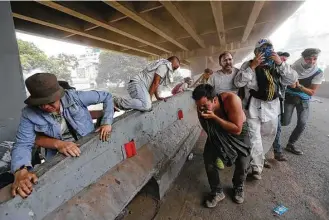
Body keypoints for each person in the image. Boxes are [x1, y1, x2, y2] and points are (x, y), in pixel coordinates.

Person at [11, 73, 114, 198]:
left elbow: (107, 96)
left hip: (87, 144)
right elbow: (23, 143)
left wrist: (106, 122)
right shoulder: (29, 113)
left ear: (59, 95)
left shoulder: (76, 97)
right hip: (57, 152)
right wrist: (20, 170)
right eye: (39, 103)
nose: (45, 107)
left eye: (49, 102)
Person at [234, 38, 297, 180]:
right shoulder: (248, 64)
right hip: (253, 107)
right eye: (263, 49)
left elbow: (291, 80)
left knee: (269, 134)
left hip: (272, 108)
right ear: (256, 52)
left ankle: (260, 158)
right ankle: (257, 168)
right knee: (254, 137)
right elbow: (238, 82)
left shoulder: (278, 65)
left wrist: (280, 63)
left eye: (269, 49)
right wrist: (252, 67)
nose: (266, 52)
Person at [192, 84, 250, 206]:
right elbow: (207, 128)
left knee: (243, 161)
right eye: (198, 106)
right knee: (209, 158)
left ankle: (238, 187)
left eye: (204, 105)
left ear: (214, 99)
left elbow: (237, 129)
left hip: (238, 132)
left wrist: (214, 117)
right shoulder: (201, 106)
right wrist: (218, 146)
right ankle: (217, 191)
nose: (201, 109)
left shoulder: (231, 100)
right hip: (218, 131)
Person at [283, 48, 324, 155]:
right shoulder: (292, 68)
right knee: (284, 122)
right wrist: (289, 83)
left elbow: (311, 92)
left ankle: (291, 144)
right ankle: (272, 141)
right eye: (308, 59)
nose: (312, 61)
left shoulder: (318, 72)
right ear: (303, 58)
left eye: (315, 59)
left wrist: (299, 86)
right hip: (289, 96)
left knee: (302, 123)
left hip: (304, 99)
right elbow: (284, 82)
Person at [114, 56, 180, 111]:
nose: (175, 69)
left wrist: (157, 97)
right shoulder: (165, 66)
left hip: (138, 86)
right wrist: (150, 99)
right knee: (146, 106)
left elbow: (155, 83)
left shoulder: (162, 64)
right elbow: (155, 83)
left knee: (143, 104)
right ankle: (116, 101)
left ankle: (117, 104)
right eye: (176, 67)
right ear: (172, 62)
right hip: (137, 84)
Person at [272, 52, 292, 161]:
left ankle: (277, 152)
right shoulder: (270, 69)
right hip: (266, 104)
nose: (283, 61)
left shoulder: (284, 70)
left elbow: (292, 82)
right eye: (282, 59)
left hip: (278, 104)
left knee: (278, 128)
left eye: (285, 60)